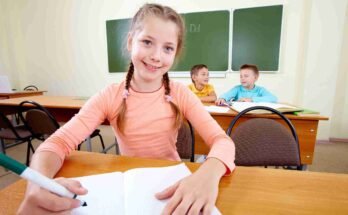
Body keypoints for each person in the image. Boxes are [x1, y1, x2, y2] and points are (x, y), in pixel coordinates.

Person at [18, 3, 235, 215]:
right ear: (131, 41)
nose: (156, 56)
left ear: (175, 53)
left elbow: (222, 141)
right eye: (147, 42)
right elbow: (56, 143)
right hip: (130, 187)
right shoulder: (110, 96)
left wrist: (208, 173)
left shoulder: (180, 93)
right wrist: (38, 184)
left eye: (167, 48)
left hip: (172, 183)